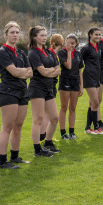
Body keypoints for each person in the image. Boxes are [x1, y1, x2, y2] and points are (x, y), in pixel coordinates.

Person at [0, 21, 33, 169]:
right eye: (12, 32)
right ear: (6, 34)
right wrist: (22, 72)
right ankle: (3, 161)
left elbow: (30, 72)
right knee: (7, 127)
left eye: (17, 32)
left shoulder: (21, 52)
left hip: (23, 92)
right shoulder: (2, 52)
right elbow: (15, 72)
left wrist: (21, 72)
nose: (15, 35)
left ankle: (15, 157)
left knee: (18, 126)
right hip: (8, 92)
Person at [27, 26, 61, 157]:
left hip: (49, 88)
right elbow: (42, 72)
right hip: (37, 88)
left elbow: (58, 70)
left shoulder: (50, 52)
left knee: (54, 118)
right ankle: (37, 149)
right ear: (35, 37)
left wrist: (50, 72)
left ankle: (48, 143)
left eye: (45, 35)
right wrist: (51, 71)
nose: (44, 37)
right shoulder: (33, 53)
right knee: (38, 119)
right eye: (41, 35)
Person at [57, 34, 83, 140]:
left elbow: (80, 71)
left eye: (72, 43)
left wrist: (81, 86)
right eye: (68, 42)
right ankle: (63, 133)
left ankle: (72, 132)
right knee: (64, 107)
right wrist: (68, 51)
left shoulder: (78, 54)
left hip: (75, 82)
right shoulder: (62, 52)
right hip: (65, 81)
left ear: (76, 44)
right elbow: (68, 66)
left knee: (73, 108)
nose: (70, 45)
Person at [80, 27, 103, 134]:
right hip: (88, 77)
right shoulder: (86, 48)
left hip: (97, 77)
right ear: (90, 35)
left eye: (99, 35)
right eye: (96, 35)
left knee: (93, 103)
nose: (98, 37)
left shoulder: (98, 47)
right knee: (95, 103)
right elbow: (79, 63)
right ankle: (96, 128)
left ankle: (87, 128)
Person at [40, 34, 63, 142]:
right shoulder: (51, 53)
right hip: (49, 85)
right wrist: (53, 72)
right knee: (48, 113)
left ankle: (44, 134)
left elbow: (57, 70)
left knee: (47, 113)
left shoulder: (52, 53)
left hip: (50, 83)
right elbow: (56, 71)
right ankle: (43, 135)